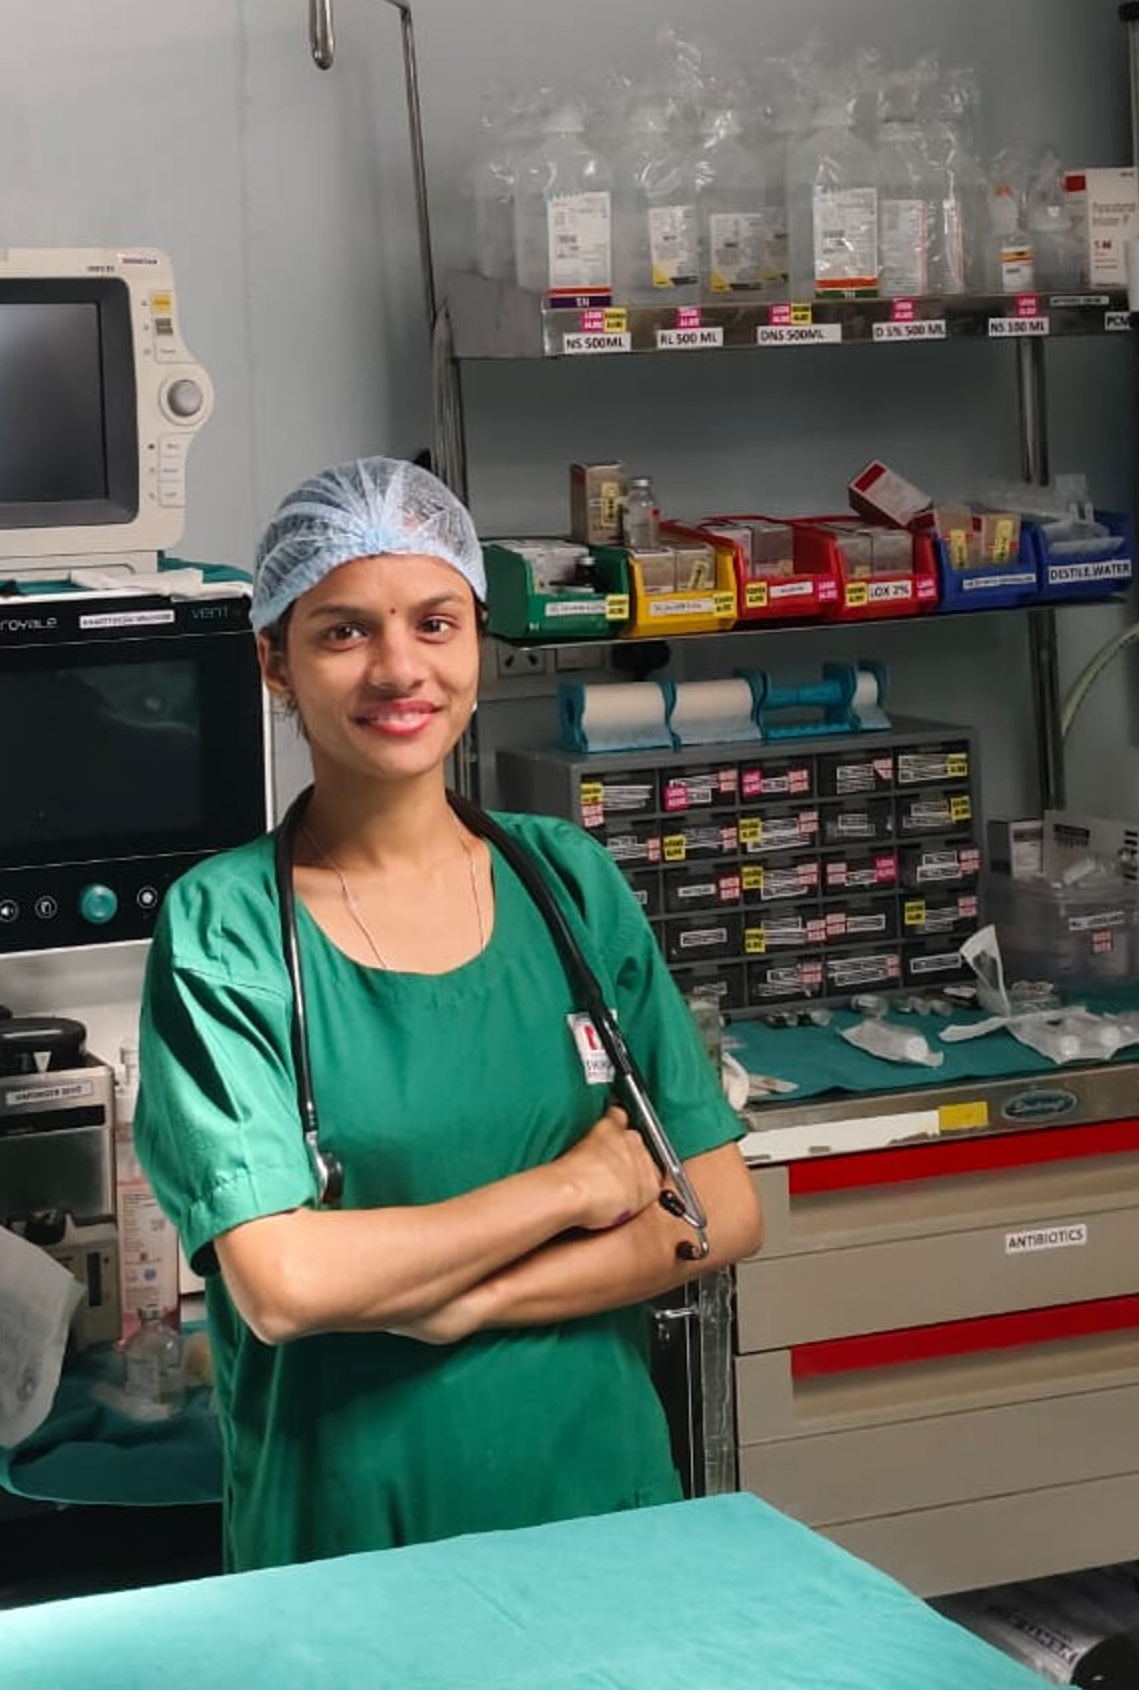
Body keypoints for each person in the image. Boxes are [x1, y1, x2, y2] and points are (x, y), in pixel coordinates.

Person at [134, 457, 761, 1572]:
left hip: (602, 1515)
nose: (399, 669)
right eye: (342, 632)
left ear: (479, 639)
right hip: (353, 1543)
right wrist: (575, 1185)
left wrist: (470, 1304)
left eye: (436, 621)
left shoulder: (564, 885)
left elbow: (713, 1210)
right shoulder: (228, 928)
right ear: (274, 662)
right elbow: (287, 1283)